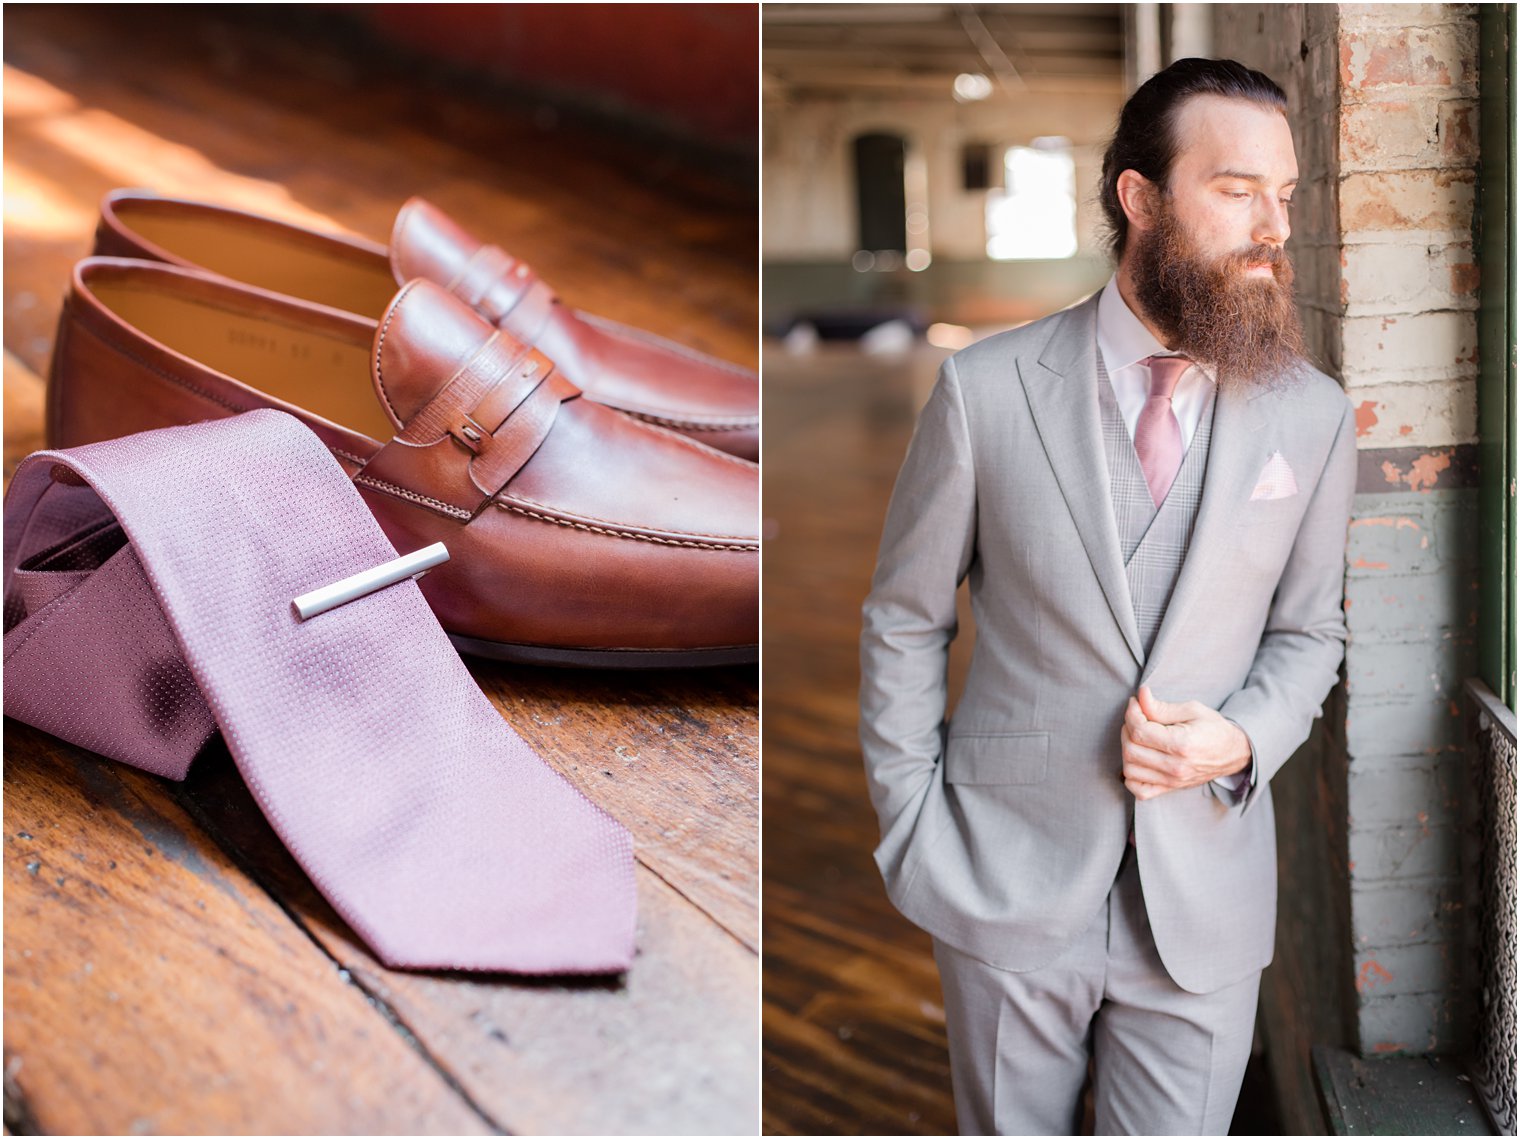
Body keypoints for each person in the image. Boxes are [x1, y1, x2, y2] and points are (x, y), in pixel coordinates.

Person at [858, 58, 1356, 1136]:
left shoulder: (1311, 417)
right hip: (999, 879)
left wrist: (1236, 738)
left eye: (1284, 194)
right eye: (1235, 189)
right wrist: (911, 827)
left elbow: (1309, 630)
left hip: (1204, 904)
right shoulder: (982, 389)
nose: (1272, 225)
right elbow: (904, 615)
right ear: (1139, 199)